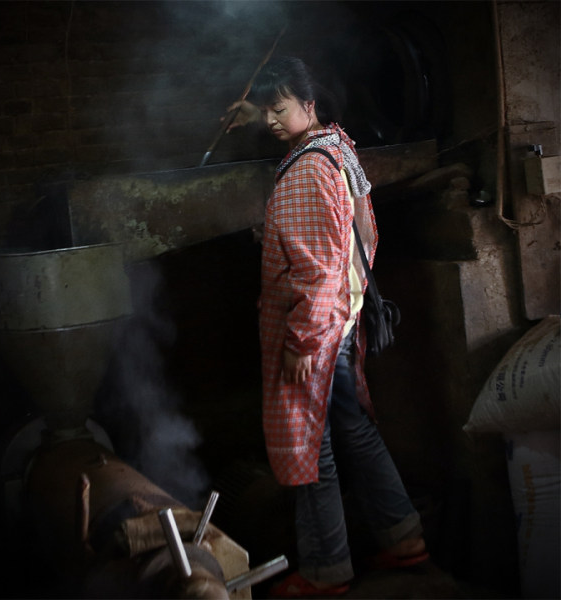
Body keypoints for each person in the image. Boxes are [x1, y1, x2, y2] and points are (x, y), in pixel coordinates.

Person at [227, 56, 427, 598]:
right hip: (342, 318)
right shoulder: (336, 147)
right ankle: (404, 537)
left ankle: (325, 569)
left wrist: (302, 342)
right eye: (266, 110)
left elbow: (316, 274)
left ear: (309, 105)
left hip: (316, 332)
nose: (271, 120)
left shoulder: (305, 172)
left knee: (312, 449)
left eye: (280, 108)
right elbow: (354, 238)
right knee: (353, 428)